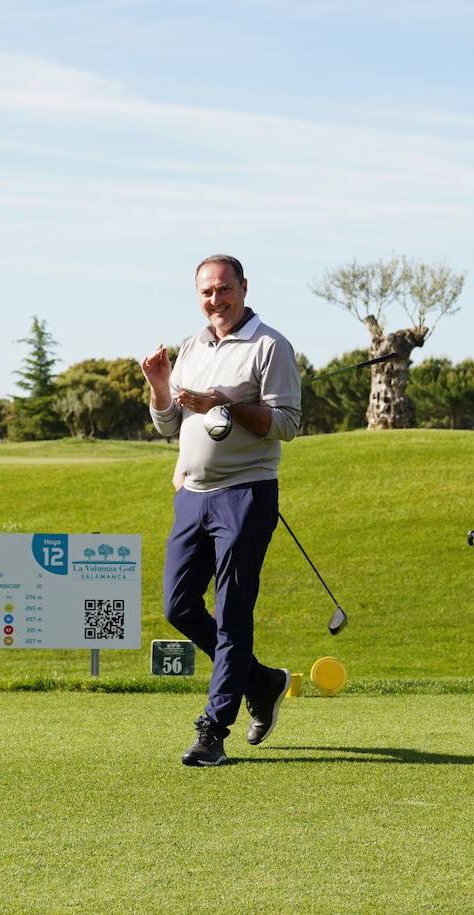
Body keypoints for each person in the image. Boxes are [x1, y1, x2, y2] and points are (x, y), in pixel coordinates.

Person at [140, 254, 302, 766]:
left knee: (233, 613)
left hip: (246, 492)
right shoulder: (190, 347)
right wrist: (161, 387)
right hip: (192, 493)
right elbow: (168, 426)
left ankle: (213, 729)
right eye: (207, 292)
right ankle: (263, 681)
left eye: (224, 289)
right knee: (178, 606)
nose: (216, 299)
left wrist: (224, 405)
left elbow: (287, 423)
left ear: (243, 287)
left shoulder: (270, 346)